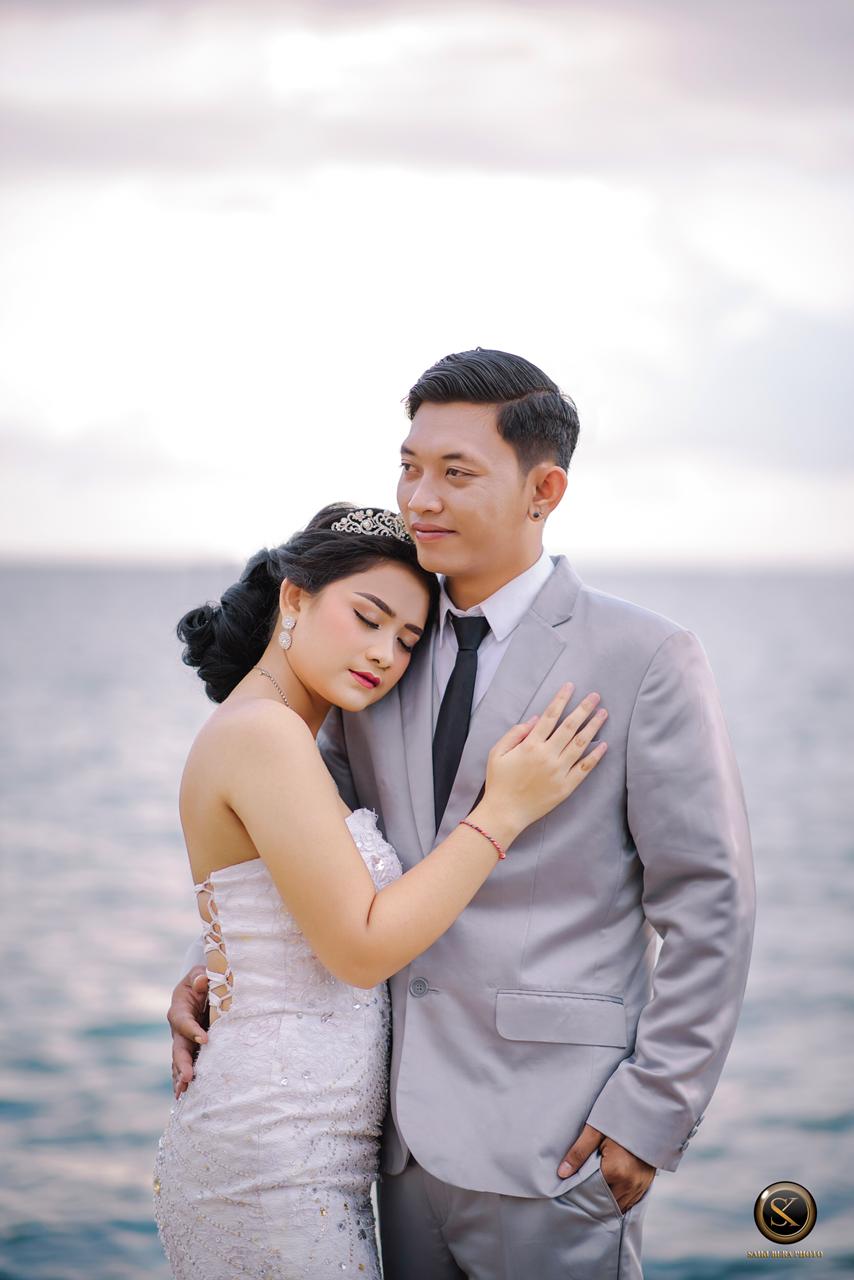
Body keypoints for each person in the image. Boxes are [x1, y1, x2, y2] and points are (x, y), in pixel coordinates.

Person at [170, 349, 756, 1279]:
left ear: (543, 490)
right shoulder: (376, 658)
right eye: (409, 466)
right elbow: (307, 851)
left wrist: (654, 1108)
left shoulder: (645, 656)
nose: (420, 498)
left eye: (455, 472)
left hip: (556, 1139)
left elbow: (710, 902)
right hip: (387, 1144)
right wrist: (220, 965)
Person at [154, 500, 609, 1280]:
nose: (384, 654)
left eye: (406, 640)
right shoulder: (264, 732)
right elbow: (359, 949)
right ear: (294, 598)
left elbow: (265, 902)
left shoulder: (288, 735)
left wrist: (207, 967)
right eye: (367, 618)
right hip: (273, 1158)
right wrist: (503, 812)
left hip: (305, 1152)